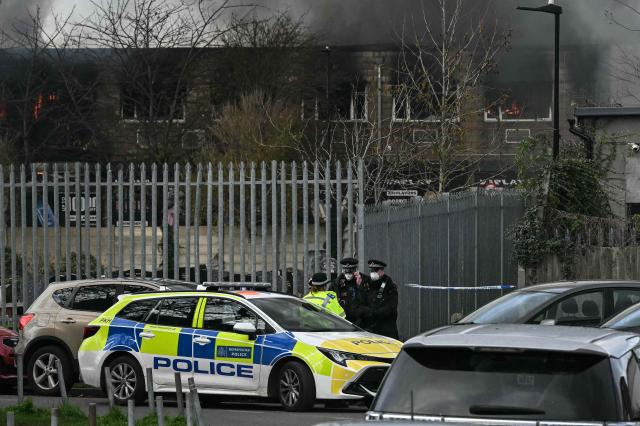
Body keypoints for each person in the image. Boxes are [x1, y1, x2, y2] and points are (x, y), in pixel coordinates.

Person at [361, 259, 399, 339]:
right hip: (370, 329)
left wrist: (373, 313)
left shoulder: (389, 286)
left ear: (382, 271)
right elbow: (362, 303)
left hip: (386, 329)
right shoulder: (367, 284)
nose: (372, 273)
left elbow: (390, 307)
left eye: (375, 270)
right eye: (371, 271)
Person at [331, 257, 369, 327]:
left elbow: (368, 300)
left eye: (350, 270)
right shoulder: (337, 282)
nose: (348, 273)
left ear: (356, 270)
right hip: (341, 321)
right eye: (346, 270)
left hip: (360, 322)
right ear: (343, 270)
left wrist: (360, 285)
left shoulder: (364, 280)